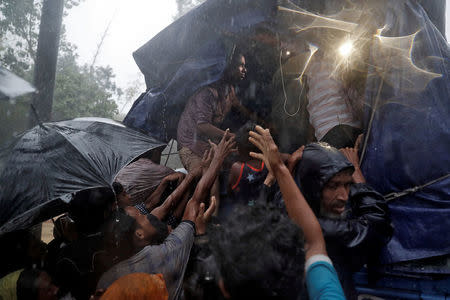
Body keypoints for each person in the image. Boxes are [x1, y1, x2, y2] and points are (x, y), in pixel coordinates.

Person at [208, 125, 345, 299]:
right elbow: (314, 243)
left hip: (245, 216)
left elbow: (228, 191)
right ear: (301, 277)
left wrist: (215, 161)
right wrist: (279, 167)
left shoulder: (237, 168)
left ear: (223, 288)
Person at [97, 131, 236, 300]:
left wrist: (193, 174)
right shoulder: (164, 254)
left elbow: (166, 205)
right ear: (139, 234)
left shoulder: (108, 277)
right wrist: (217, 159)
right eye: (143, 216)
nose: (147, 215)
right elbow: (195, 201)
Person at [288, 139, 392, 299]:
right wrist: (357, 173)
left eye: (347, 185)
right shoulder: (319, 229)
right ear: (312, 185)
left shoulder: (286, 218)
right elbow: (376, 224)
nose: (344, 196)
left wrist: (287, 172)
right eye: (333, 186)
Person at [177, 50, 247, 212]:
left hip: (208, 145)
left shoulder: (229, 90)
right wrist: (232, 137)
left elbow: (240, 108)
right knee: (210, 178)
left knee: (237, 164)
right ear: (228, 67)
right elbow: (202, 126)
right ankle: (209, 224)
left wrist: (261, 122)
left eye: (245, 66)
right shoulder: (206, 94)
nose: (244, 70)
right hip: (190, 146)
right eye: (240, 65)